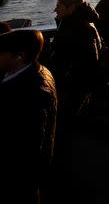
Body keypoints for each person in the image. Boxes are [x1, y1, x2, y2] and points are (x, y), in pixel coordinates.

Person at [0, 30, 58, 204]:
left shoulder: (32, 92)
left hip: (19, 172)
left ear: (19, 57)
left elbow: (29, 143)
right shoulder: (34, 72)